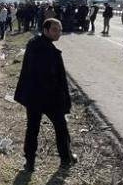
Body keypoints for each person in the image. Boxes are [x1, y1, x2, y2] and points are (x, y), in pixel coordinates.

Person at [13, 18, 76, 172]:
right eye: (55, 30)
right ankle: (65, 159)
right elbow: (51, 77)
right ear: (46, 30)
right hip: (48, 98)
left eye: (60, 30)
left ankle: (30, 163)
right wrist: (61, 99)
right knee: (60, 127)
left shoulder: (34, 44)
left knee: (33, 128)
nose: (58, 33)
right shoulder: (46, 50)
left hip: (33, 97)